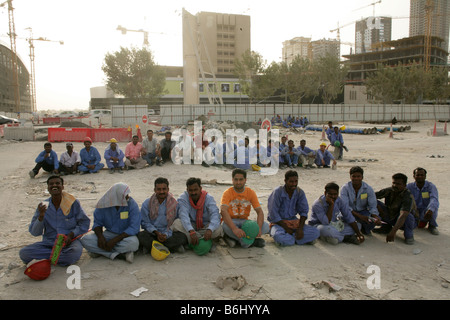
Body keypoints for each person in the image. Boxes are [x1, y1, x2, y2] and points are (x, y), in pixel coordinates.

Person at [19, 175, 90, 266]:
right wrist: (41, 217)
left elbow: (84, 223)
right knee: (24, 253)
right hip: (49, 242)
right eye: (51, 184)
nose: (54, 185)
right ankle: (56, 257)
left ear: (62, 187)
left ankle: (47, 258)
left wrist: (71, 234)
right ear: (48, 188)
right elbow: (35, 232)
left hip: (68, 243)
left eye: (57, 183)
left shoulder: (72, 203)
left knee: (73, 253)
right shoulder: (43, 206)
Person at [80, 183, 140, 263]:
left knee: (134, 244)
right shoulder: (104, 204)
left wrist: (115, 240)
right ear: (116, 196)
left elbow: (134, 227)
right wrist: (101, 237)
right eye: (125, 195)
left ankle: (101, 252)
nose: (127, 197)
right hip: (109, 234)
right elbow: (97, 223)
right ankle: (118, 254)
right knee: (85, 240)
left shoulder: (131, 204)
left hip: (125, 236)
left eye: (127, 195)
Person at [267, 170, 320, 246]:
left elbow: (304, 212)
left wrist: (300, 229)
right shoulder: (277, 192)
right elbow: (273, 214)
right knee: (278, 236)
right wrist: (286, 228)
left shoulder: (300, 192)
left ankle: (290, 239)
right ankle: (297, 239)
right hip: (279, 223)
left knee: (316, 232)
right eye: (291, 182)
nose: (294, 184)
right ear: (285, 181)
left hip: (294, 222)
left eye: (296, 181)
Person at [220, 168, 270, 248]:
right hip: (231, 221)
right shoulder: (227, 193)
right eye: (236, 180)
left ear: (245, 180)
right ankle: (249, 242)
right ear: (232, 180)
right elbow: (223, 211)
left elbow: (259, 212)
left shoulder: (250, 192)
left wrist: (258, 228)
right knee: (224, 226)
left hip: (245, 222)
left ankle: (237, 240)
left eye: (241, 179)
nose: (238, 182)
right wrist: (234, 229)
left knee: (266, 226)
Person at [137, 177, 187, 253]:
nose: (161, 191)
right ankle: (171, 248)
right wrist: (157, 233)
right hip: (152, 233)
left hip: (169, 233)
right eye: (159, 189)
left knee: (183, 236)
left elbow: (176, 223)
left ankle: (154, 248)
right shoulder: (147, 203)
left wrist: (165, 234)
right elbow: (145, 223)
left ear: (168, 189)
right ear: (155, 190)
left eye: (164, 189)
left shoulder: (174, 204)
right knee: (141, 236)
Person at [172, 178, 223, 250]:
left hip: (205, 227)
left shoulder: (208, 198)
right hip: (190, 226)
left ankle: (191, 242)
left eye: (195, 190)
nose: (193, 193)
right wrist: (191, 231)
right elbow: (184, 216)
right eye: (191, 190)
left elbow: (215, 214)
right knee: (176, 223)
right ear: (187, 190)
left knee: (218, 228)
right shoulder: (183, 198)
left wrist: (210, 229)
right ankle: (204, 242)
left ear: (200, 188)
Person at [375, 173, 418, 245]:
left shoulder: (407, 196)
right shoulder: (389, 190)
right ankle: (386, 227)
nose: (395, 185)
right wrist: (377, 207)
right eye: (394, 183)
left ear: (404, 185)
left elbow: (403, 215)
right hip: (391, 216)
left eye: (398, 184)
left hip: (404, 220)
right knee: (374, 202)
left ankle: (409, 236)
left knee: (408, 216)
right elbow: (372, 196)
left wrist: (393, 232)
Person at [340, 166, 380, 236]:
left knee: (373, 221)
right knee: (345, 218)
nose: (356, 178)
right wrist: (360, 216)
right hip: (349, 212)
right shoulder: (345, 188)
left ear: (362, 177)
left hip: (363, 211)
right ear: (350, 177)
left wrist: (375, 216)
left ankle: (364, 229)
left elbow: (372, 205)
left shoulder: (368, 189)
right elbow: (345, 206)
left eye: (358, 176)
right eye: (354, 176)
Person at [407, 167, 439, 235]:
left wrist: (430, 210)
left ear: (425, 176)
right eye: (418, 175)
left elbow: (434, 198)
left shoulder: (431, 186)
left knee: (434, 207)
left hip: (426, 211)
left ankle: (432, 226)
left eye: (422, 175)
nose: (420, 177)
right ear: (414, 176)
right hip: (414, 211)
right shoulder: (409, 187)